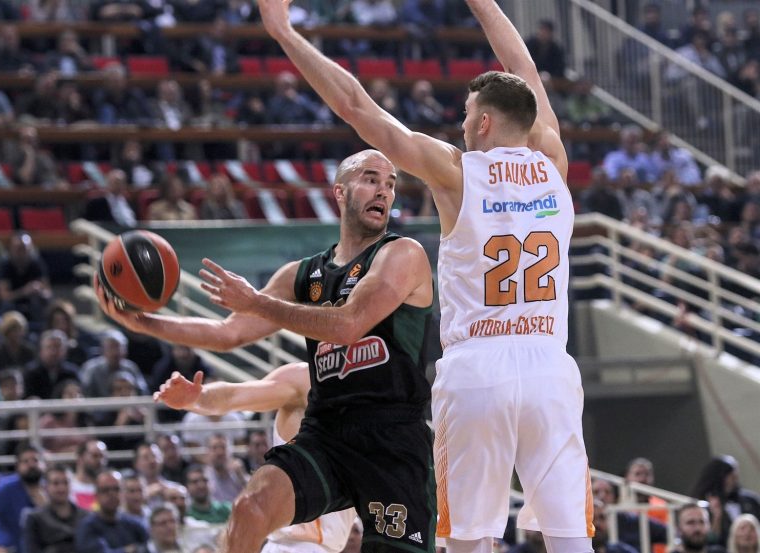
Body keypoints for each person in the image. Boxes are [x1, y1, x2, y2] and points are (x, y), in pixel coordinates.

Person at [247, 2, 590, 553]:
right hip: (551, 365)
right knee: (571, 538)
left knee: (468, 542)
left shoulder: (455, 171)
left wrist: (283, 31)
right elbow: (524, 72)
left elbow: (358, 107)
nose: (460, 123)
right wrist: (483, 4)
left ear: (481, 122)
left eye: (465, 113)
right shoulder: (552, 159)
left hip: (478, 368)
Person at [95, 146, 436, 553]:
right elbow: (228, 334)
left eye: (390, 184)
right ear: (340, 192)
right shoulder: (302, 275)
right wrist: (142, 323)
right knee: (249, 508)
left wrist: (256, 301)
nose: (383, 191)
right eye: (370, 179)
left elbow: (348, 324)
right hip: (326, 432)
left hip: (391, 436)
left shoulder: (402, 254)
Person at [155, 362, 356, 553]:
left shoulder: (377, 397)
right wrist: (199, 397)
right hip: (293, 543)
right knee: (247, 509)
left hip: (325, 545)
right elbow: (234, 395)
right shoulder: (303, 379)